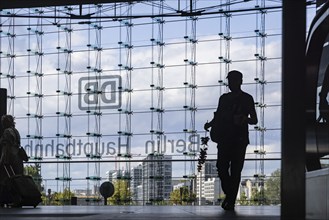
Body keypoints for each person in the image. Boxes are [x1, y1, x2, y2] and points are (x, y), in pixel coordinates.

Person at [204, 70, 258, 211]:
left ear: (239, 81)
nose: (230, 83)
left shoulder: (246, 98)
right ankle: (230, 196)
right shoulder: (225, 98)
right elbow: (218, 115)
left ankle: (230, 200)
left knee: (234, 170)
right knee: (224, 168)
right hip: (228, 139)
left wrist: (244, 119)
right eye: (230, 80)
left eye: (232, 80)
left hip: (237, 140)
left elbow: (254, 119)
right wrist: (210, 124)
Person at [0, 115, 24, 207]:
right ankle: (18, 199)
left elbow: (6, 147)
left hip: (9, 158)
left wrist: (3, 160)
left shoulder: (7, 132)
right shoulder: (16, 131)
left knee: (7, 180)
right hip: (17, 157)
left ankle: (5, 200)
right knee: (17, 179)